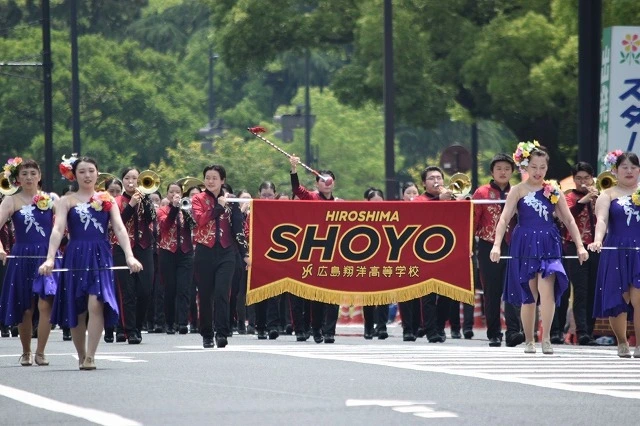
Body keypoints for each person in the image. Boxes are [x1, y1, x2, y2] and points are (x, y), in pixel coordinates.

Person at [39, 156, 142, 370]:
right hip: (75, 254)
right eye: (82, 171)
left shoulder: (107, 199)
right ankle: (81, 353)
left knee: (96, 303)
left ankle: (91, 356)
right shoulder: (66, 201)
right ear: (74, 175)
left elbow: (120, 229)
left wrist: (130, 255)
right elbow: (58, 230)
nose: (87, 175)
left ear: (98, 173)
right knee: (77, 307)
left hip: (100, 254)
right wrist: (50, 258)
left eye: (91, 171)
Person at [490, 142, 588, 355]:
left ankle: (546, 338)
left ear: (547, 168)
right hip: (524, 242)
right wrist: (497, 245)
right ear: (526, 167)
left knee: (548, 292)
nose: (538, 171)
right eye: (534, 166)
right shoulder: (517, 190)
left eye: (542, 167)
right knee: (529, 294)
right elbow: (504, 218)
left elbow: (569, 220)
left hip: (548, 242)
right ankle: (529, 339)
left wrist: (580, 246)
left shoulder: (553, 190)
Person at [0, 158, 58, 366]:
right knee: (25, 307)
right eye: (24, 174)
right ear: (17, 178)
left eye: (33, 173)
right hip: (22, 256)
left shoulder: (51, 198)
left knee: (45, 303)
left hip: (46, 255)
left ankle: (41, 351)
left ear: (39, 176)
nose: (29, 177)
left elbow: (64, 224)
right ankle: (26, 351)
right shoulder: (11, 201)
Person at [191, 165, 249, 348]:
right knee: (206, 295)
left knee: (223, 293)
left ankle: (222, 332)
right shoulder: (198, 199)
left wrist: (244, 253)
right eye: (207, 177)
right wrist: (218, 207)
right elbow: (200, 220)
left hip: (226, 252)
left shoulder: (232, 201)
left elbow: (238, 228)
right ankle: (207, 333)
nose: (210, 181)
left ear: (222, 180)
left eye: (215, 178)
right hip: (204, 251)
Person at [588, 152, 640, 358]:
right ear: (616, 170)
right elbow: (601, 220)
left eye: (633, 167)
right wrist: (598, 239)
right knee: (619, 297)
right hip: (616, 248)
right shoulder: (607, 194)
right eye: (624, 167)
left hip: (639, 249)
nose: (629, 171)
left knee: (638, 297)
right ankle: (622, 341)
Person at [472, 153, 525, 347]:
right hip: (488, 245)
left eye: (507, 169)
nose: (503, 172)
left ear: (512, 171)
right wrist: (470, 246)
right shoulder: (482, 193)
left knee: (513, 289)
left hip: (513, 245)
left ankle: (512, 331)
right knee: (491, 291)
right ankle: (494, 333)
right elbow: (473, 222)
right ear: (492, 172)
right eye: (499, 169)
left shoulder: (519, 191)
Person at [290, 155, 340, 343]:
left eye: (329, 180)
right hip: (315, 252)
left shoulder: (339, 204)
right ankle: (317, 329)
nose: (326, 183)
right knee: (317, 296)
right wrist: (294, 170)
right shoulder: (311, 197)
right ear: (317, 184)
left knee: (333, 295)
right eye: (322, 180)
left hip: (335, 253)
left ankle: (330, 332)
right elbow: (297, 189)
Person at [111, 168, 156, 344]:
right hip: (122, 248)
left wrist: (143, 201)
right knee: (126, 292)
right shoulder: (116, 201)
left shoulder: (146, 199)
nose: (131, 181)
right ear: (122, 180)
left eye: (135, 178)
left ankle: (136, 326)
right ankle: (128, 330)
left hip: (144, 247)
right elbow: (118, 222)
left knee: (145, 290)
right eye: (127, 178)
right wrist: (131, 205)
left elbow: (150, 218)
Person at [560, 162, 599, 346]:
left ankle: (590, 330)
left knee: (593, 290)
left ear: (592, 178)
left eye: (586, 178)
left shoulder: (600, 196)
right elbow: (568, 214)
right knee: (581, 290)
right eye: (578, 178)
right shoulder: (569, 197)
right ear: (573, 180)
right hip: (575, 247)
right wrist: (584, 200)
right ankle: (581, 331)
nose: (583, 182)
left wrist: (596, 199)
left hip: (596, 247)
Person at [157, 182, 195, 335]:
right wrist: (174, 207)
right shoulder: (162, 210)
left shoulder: (187, 209)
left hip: (185, 252)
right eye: (171, 192)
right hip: (167, 252)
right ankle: (170, 322)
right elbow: (165, 225)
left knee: (184, 288)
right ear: (167, 194)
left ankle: (182, 322)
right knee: (170, 288)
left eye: (177, 192)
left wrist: (185, 211)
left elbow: (194, 225)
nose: (175, 194)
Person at [361, 187, 390, 340]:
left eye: (380, 201)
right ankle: (368, 326)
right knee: (369, 296)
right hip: (366, 259)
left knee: (384, 295)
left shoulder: (390, 215)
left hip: (384, 259)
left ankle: (382, 326)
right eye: (374, 202)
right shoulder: (361, 216)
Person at [397, 182, 424, 341]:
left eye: (415, 192)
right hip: (402, 256)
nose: (412, 195)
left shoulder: (424, 209)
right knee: (405, 293)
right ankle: (407, 328)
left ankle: (417, 326)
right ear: (402, 196)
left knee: (418, 293)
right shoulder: (398, 210)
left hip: (419, 256)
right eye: (408, 193)